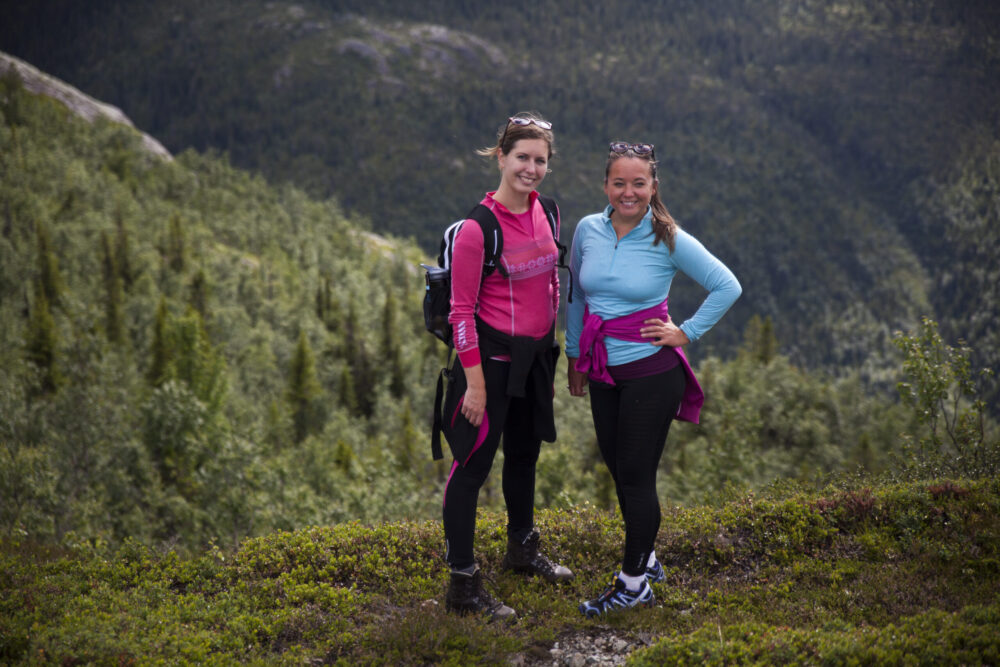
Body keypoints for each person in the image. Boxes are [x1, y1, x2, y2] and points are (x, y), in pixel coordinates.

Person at [565, 141, 741, 617]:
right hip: (602, 370)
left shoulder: (668, 237)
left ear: (653, 187)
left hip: (651, 373)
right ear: (605, 185)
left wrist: (685, 332)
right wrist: (574, 357)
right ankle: (648, 556)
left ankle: (633, 583)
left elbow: (728, 285)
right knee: (621, 472)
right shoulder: (587, 231)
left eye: (638, 183)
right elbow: (578, 299)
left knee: (638, 479)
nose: (628, 192)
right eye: (619, 183)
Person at [441, 113, 574, 621]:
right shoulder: (479, 229)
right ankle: (462, 584)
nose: (532, 168)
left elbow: (553, 289)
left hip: (535, 358)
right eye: (522, 157)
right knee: (470, 469)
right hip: (490, 366)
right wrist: (473, 385)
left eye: (540, 160)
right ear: (501, 157)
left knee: (524, 457)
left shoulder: (551, 213)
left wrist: (559, 351)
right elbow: (460, 313)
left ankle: (521, 548)